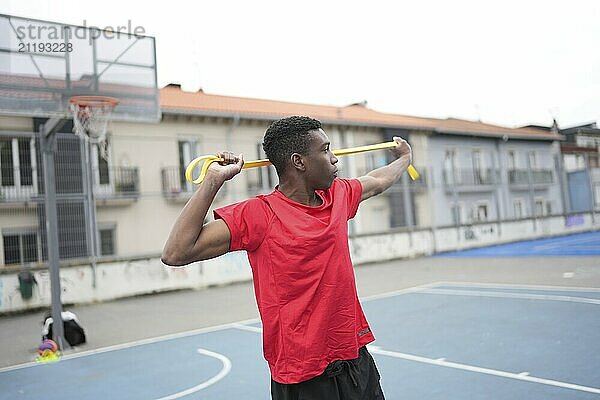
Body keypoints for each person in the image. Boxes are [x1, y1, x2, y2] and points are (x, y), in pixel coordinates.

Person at [162, 116, 412, 399]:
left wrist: (404, 157)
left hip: (355, 360)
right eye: (325, 150)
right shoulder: (258, 214)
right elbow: (176, 253)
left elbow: (379, 180)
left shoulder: (339, 195)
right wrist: (213, 181)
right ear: (299, 161)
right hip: (302, 377)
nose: (334, 159)